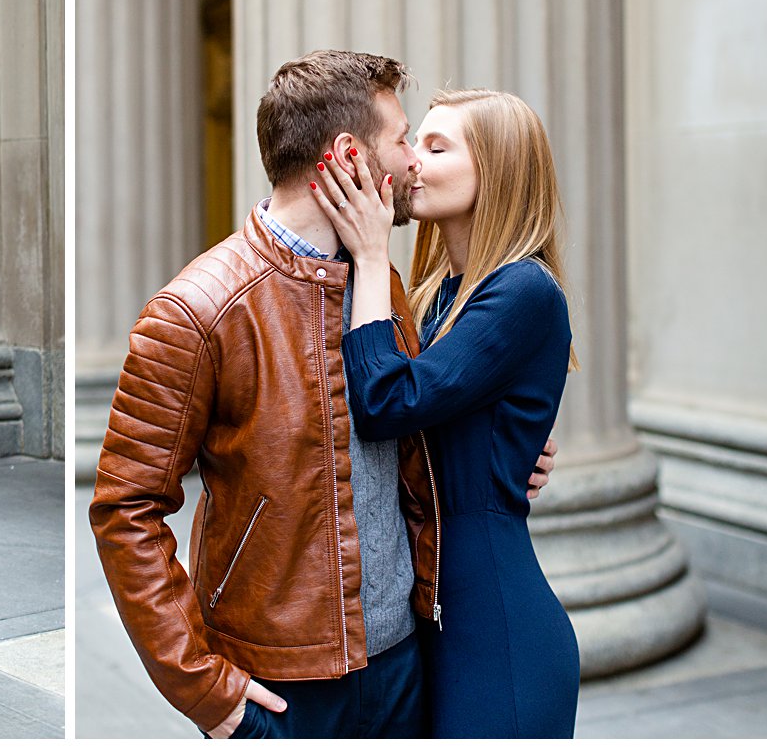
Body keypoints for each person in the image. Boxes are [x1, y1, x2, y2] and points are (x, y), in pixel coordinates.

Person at [89, 51, 555, 738]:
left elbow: (415, 416)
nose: (411, 161)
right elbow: (125, 509)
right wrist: (204, 687)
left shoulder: (384, 286)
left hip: (406, 666)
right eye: (402, 138)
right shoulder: (196, 309)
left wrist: (510, 448)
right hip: (283, 686)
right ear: (347, 158)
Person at [312, 87, 579, 736]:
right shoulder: (440, 294)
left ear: (499, 169)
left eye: (437, 146)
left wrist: (372, 254)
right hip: (435, 616)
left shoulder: (524, 289)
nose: (413, 163)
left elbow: (386, 401)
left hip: (497, 634)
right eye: (413, 142)